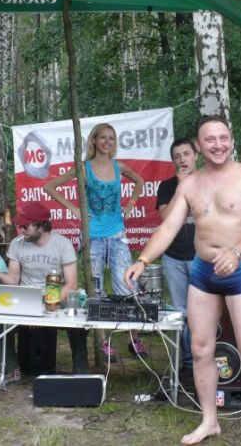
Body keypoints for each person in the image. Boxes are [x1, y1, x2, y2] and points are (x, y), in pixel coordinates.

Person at [125, 116, 241, 446]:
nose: (218, 144)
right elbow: (169, 227)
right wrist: (143, 259)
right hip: (203, 272)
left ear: (231, 140)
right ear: (199, 146)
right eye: (211, 139)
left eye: (223, 137)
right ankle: (210, 421)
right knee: (199, 348)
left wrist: (236, 252)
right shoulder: (190, 184)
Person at [44, 122, 145, 360]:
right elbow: (50, 186)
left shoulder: (119, 166)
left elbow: (139, 182)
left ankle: (134, 339)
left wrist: (131, 203)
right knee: (96, 289)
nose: (107, 142)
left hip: (117, 233)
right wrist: (75, 209)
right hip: (92, 236)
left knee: (127, 284)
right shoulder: (83, 168)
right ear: (94, 140)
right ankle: (103, 343)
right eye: (103, 137)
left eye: (111, 138)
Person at [0, 202, 89, 378]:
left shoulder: (63, 244)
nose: (21, 229)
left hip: (55, 295)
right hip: (26, 297)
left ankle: (81, 370)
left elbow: (71, 284)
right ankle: (11, 369)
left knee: (77, 314)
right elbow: (13, 280)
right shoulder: (17, 244)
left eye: (25, 226)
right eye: (20, 225)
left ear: (41, 225)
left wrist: (47, 303)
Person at [156, 136, 198, 370]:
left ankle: (206, 358)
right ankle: (187, 362)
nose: (182, 160)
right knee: (180, 312)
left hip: (201, 258)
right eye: (177, 156)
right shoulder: (167, 186)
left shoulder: (207, 181)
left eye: (186, 154)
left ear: (196, 155)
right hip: (173, 258)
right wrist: (180, 187)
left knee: (202, 311)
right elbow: (166, 218)